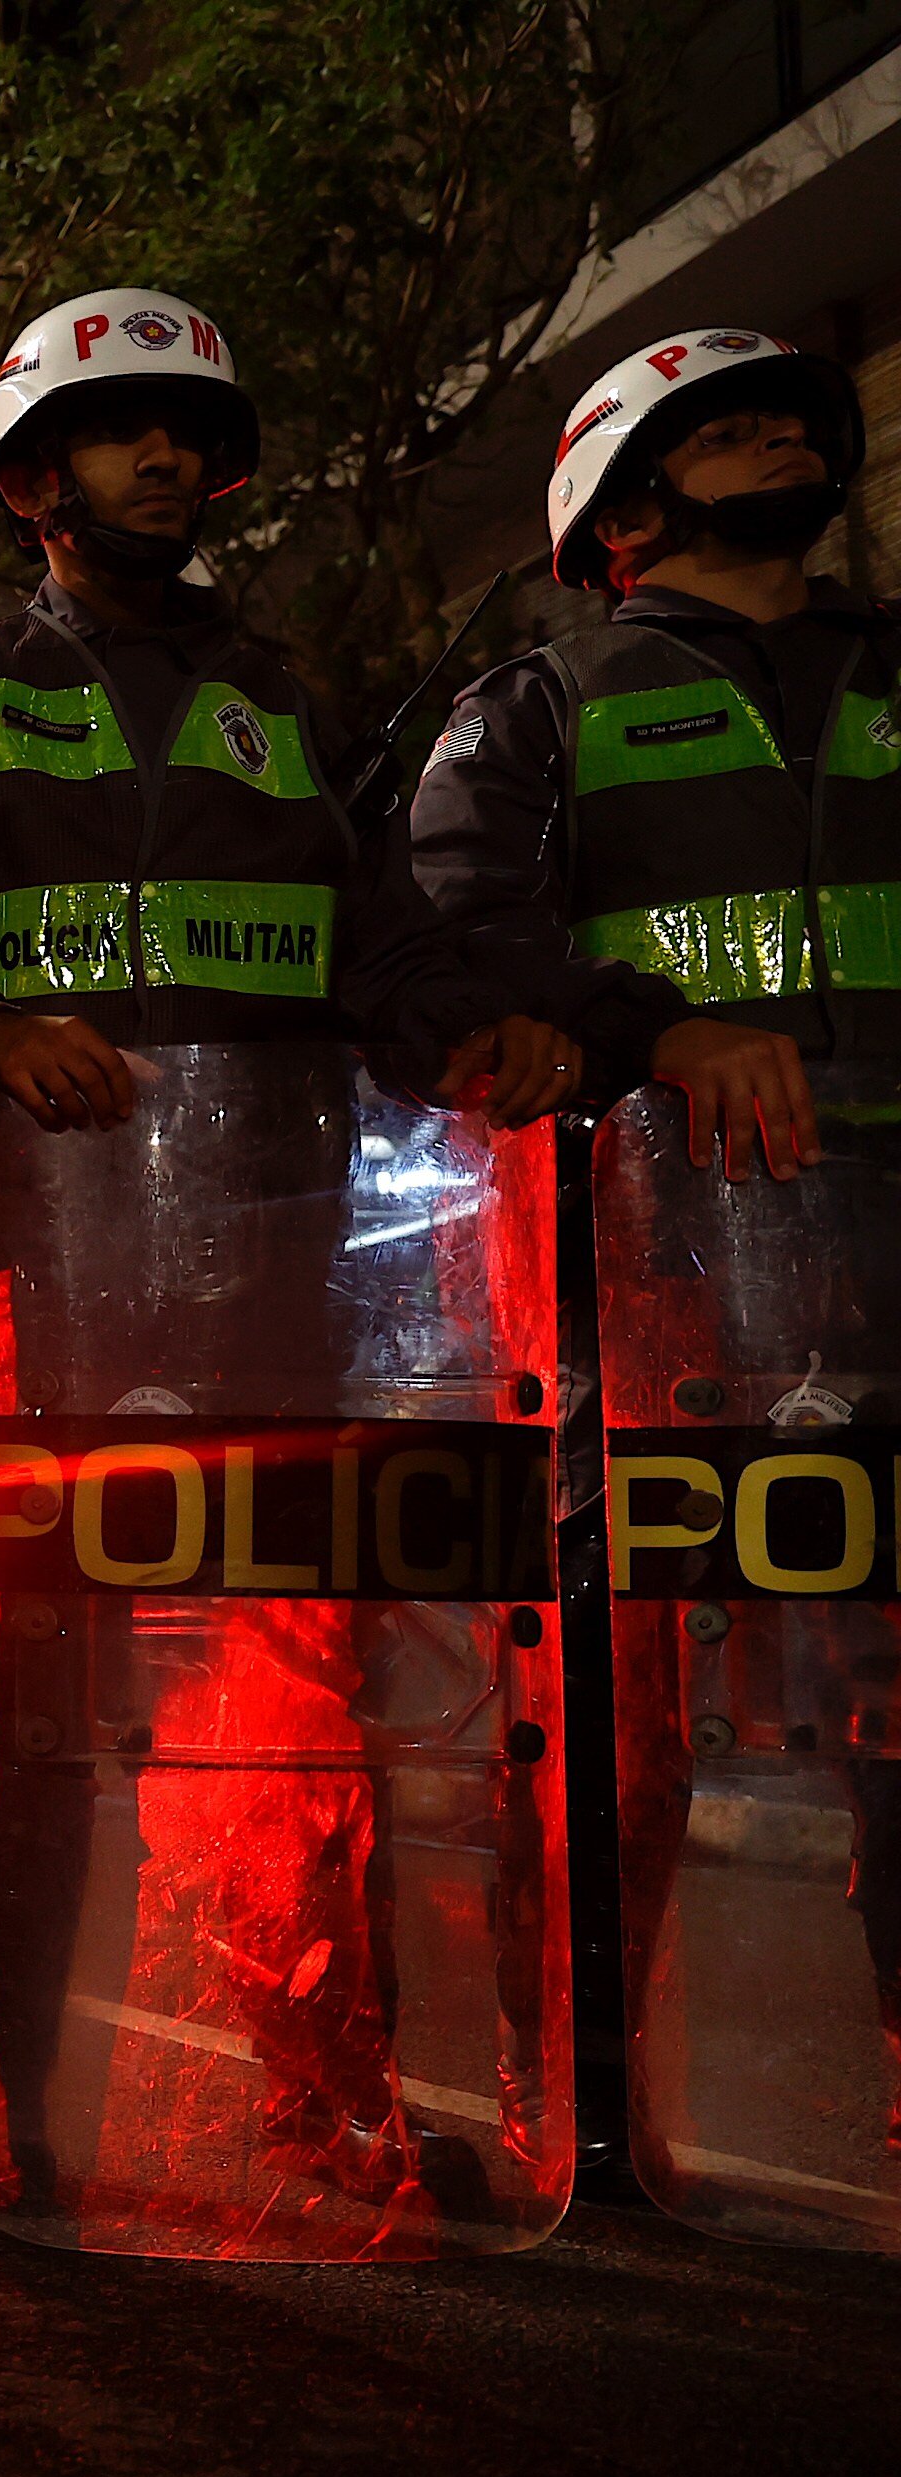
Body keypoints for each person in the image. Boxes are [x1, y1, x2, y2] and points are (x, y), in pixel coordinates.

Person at [0, 286, 578, 2232]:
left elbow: (397, 952)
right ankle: (17, 2120)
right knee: (50, 1737)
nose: (160, 454)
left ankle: (328, 2111)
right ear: (31, 480)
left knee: (297, 1722)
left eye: (184, 428)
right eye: (114, 428)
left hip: (275, 1280)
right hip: (49, 1304)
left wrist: (502, 1031)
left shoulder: (294, 698)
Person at [407, 328, 897, 2172]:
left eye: (788, 420)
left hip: (888, 1244)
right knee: (618, 1700)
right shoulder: (537, 707)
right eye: (718, 431)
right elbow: (451, 933)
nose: (773, 438)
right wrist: (654, 1033)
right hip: (657, 1255)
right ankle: (591, 2104)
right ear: (619, 507)